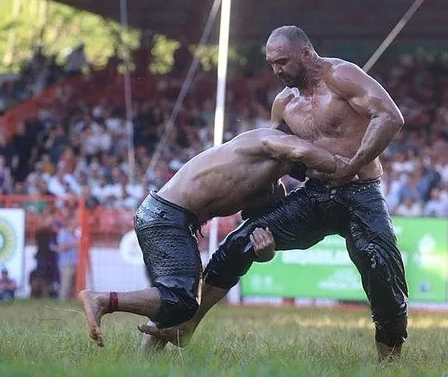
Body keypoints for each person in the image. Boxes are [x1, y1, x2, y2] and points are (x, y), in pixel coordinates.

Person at [140, 25, 408, 360]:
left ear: (306, 54)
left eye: (282, 61)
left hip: (361, 192)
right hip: (315, 194)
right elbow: (276, 165)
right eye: (271, 63)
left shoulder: (342, 75)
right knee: (238, 244)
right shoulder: (283, 104)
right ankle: (186, 325)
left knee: (380, 267)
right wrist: (264, 216)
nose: (277, 70)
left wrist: (353, 165)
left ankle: (390, 361)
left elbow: (390, 116)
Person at [78, 126, 346, 348]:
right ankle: (102, 300)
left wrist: (267, 252)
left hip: (176, 220)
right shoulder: (267, 140)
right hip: (166, 214)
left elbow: (254, 233)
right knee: (182, 301)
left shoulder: (274, 188)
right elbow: (301, 150)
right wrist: (343, 165)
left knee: (173, 306)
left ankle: (145, 368)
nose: (309, 173)